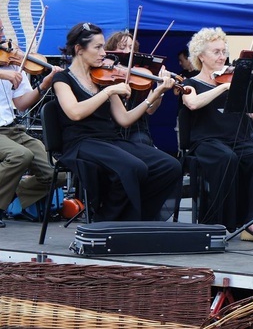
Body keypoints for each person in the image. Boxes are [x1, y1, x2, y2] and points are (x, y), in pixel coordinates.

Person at [52, 22, 182, 221]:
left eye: (103, 46)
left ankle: (138, 219)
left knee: (169, 165)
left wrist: (155, 94)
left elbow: (125, 119)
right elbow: (75, 113)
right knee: (133, 167)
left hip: (109, 140)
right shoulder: (63, 79)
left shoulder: (104, 77)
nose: (104, 53)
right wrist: (109, 91)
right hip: (81, 142)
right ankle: (105, 220)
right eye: (98, 47)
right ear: (79, 49)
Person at [181, 27, 253, 240]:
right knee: (226, 158)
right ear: (201, 56)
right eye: (216, 52)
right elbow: (192, 104)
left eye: (224, 51)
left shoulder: (232, 80)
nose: (223, 57)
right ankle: (219, 222)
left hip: (236, 139)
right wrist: (224, 87)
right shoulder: (190, 83)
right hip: (206, 141)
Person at [0, 22, 65, 227]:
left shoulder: (12, 62)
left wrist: (44, 84)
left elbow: (21, 104)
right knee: (20, 156)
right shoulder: (6, 70)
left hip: (11, 129)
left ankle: (12, 190)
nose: (3, 35)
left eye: (1, 30)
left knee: (56, 173)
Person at [104, 31, 164, 146]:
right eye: (122, 47)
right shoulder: (106, 74)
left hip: (136, 130)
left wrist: (159, 91)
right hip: (110, 129)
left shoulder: (140, 75)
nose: (127, 51)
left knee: (141, 142)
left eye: (131, 48)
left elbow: (150, 110)